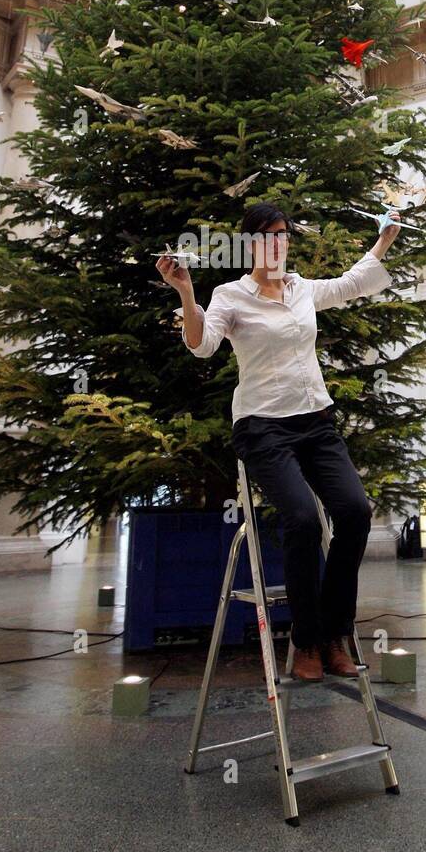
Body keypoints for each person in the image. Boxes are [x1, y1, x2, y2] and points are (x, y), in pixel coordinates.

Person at [156, 200, 400, 682]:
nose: (277, 243)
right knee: (304, 520)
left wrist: (384, 239)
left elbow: (352, 283)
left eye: (283, 235)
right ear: (250, 243)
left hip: (315, 421)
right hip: (263, 426)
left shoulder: (301, 289)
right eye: (267, 235)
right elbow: (202, 346)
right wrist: (185, 293)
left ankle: (335, 635)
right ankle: (306, 641)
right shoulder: (230, 295)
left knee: (354, 512)